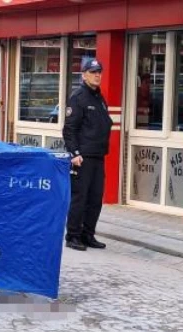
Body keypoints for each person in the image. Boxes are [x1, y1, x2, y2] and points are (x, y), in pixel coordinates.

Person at [62, 58, 113, 251]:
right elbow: (69, 129)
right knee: (79, 198)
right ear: (84, 75)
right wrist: (74, 153)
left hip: (98, 156)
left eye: (99, 72)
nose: (97, 75)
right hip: (82, 158)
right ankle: (73, 236)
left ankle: (88, 234)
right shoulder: (78, 97)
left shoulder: (99, 98)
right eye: (93, 72)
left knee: (95, 199)